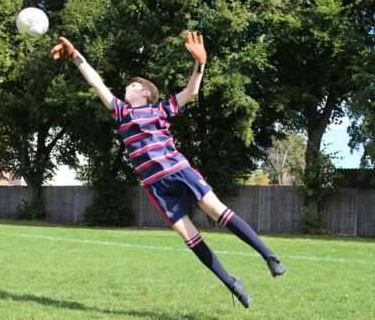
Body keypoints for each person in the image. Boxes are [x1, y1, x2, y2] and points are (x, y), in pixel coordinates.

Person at [50, 32, 286, 308]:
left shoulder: (161, 109)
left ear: (145, 93)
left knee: (217, 211)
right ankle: (232, 283)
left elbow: (191, 92)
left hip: (178, 170)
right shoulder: (122, 112)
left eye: (132, 84)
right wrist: (76, 55)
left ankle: (269, 256)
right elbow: (96, 82)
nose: (127, 87)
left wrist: (200, 65)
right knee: (190, 238)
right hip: (155, 185)